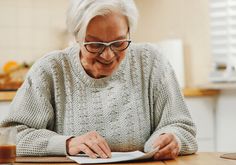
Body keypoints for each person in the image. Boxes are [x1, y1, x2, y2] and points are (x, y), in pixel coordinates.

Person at [0, 0, 197, 160]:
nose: (108, 55)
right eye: (95, 45)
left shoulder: (151, 61)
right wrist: (68, 143)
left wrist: (172, 139)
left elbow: (182, 126)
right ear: (77, 37)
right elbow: (11, 135)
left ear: (129, 31)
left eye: (119, 43)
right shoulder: (51, 69)